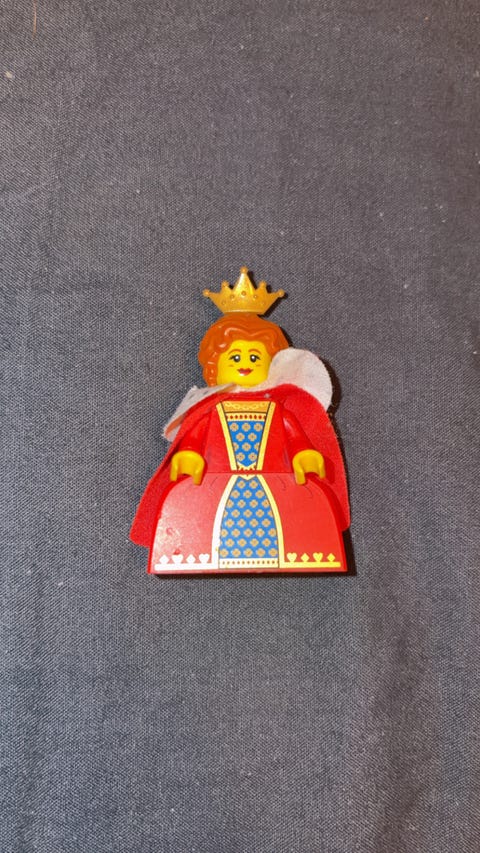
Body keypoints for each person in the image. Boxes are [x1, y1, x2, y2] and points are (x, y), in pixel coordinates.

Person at [130, 269, 350, 574]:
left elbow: (295, 437)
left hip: (274, 484)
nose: (245, 364)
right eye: (235, 358)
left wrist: (303, 454)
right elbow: (194, 437)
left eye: (255, 358)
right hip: (217, 484)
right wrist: (189, 455)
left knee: (292, 519)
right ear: (215, 365)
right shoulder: (209, 409)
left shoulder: (278, 410)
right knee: (208, 518)